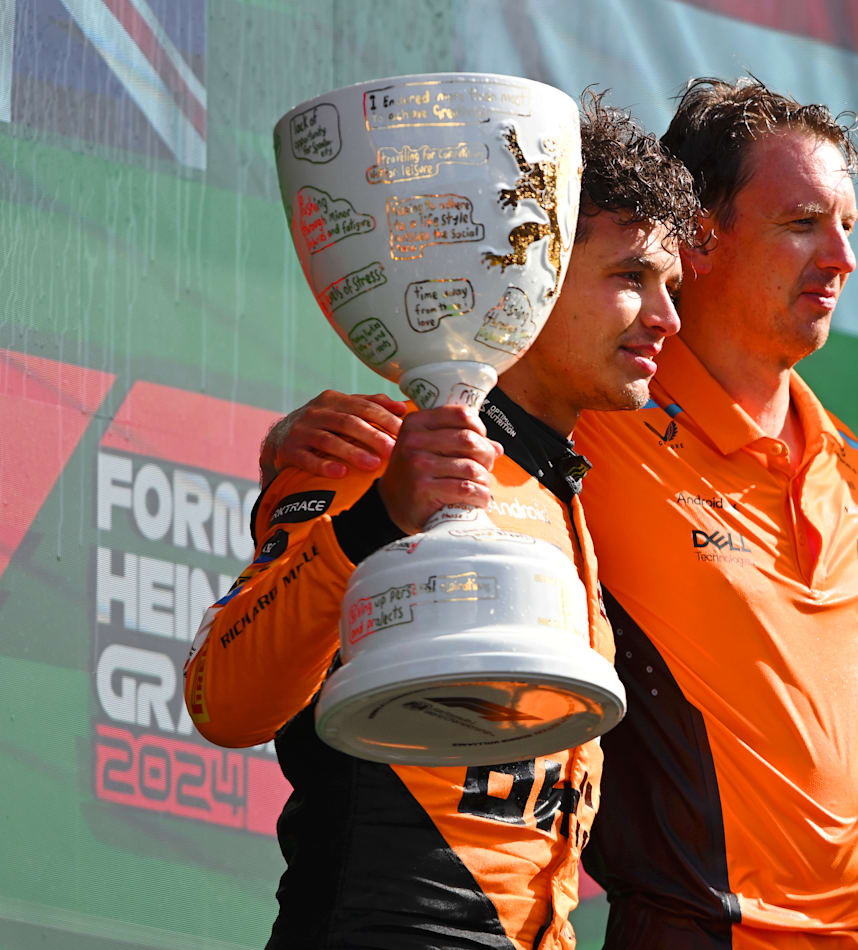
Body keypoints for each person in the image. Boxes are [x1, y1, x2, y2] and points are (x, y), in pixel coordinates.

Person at [269, 78, 858, 949]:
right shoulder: (600, 425)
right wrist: (313, 442)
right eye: (803, 224)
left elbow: (854, 751)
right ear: (697, 238)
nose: (843, 258)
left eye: (849, 227)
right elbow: (464, 403)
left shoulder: (848, 465)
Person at [182, 94, 699, 950]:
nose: (666, 317)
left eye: (670, 286)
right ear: (526, 273)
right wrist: (374, 523)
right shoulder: (378, 457)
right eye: (630, 277)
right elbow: (222, 702)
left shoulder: (566, 491)